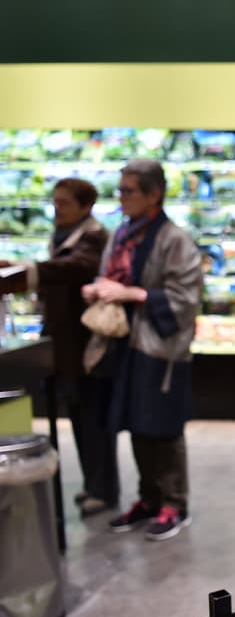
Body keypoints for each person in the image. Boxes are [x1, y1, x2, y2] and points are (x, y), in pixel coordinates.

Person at [84, 159, 204, 541]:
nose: (121, 197)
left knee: (163, 426)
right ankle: (149, 499)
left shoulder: (175, 239)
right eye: (119, 190)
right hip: (125, 343)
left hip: (160, 347)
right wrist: (99, 289)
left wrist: (130, 294)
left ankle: (174, 504)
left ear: (154, 194)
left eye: (128, 190)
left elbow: (185, 299)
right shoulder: (123, 233)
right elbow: (112, 275)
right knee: (137, 423)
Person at [0, 178, 115, 515]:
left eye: (64, 202)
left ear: (86, 206)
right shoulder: (66, 235)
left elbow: (72, 268)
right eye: (55, 201)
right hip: (66, 347)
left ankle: (103, 489)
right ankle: (94, 485)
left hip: (87, 346)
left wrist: (24, 274)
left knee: (93, 419)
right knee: (79, 415)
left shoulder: (93, 237)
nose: (57, 208)